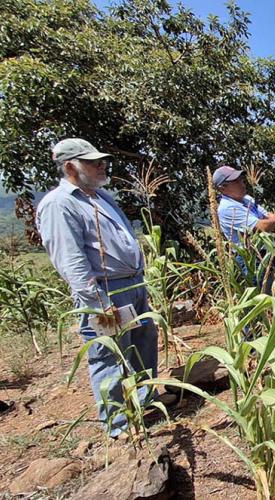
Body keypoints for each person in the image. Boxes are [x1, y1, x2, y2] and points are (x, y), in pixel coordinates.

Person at [36, 138, 161, 437]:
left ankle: (146, 402)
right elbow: (71, 260)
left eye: (101, 161)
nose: (101, 166)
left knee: (143, 341)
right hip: (105, 290)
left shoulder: (101, 196)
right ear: (70, 167)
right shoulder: (59, 204)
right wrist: (98, 301)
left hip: (132, 284)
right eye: (92, 162)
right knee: (109, 354)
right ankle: (117, 424)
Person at [213, 165, 275, 312]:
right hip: (250, 258)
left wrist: (270, 221)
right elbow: (263, 226)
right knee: (262, 298)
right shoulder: (227, 208)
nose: (242, 183)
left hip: (266, 249)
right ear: (222, 188)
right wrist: (270, 221)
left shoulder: (246, 199)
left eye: (241, 179)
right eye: (236, 181)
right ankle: (258, 326)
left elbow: (272, 218)